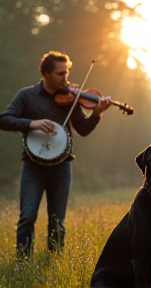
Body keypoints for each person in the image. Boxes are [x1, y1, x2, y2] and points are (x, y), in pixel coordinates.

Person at [0, 51, 112, 258]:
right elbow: (4, 119)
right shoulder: (26, 95)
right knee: (27, 216)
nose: (66, 78)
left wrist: (97, 114)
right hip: (32, 167)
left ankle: (54, 261)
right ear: (46, 74)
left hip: (62, 167)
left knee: (57, 219)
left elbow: (84, 130)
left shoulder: (71, 97)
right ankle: (22, 262)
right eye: (61, 74)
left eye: (67, 72)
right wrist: (31, 123)